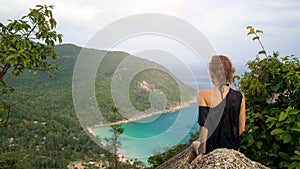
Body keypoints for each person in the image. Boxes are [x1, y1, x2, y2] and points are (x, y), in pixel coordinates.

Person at [187, 55, 246, 164]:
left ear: (211, 73)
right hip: (233, 149)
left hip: (210, 149)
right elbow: (241, 129)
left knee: (194, 144)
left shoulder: (203, 94)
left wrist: (203, 153)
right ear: (229, 73)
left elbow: (204, 128)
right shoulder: (239, 96)